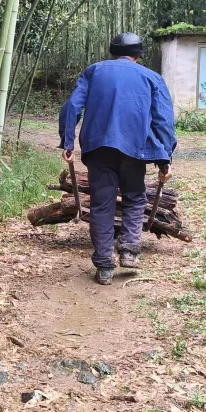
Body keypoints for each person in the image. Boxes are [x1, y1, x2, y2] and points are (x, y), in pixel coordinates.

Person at [58, 32, 177, 285]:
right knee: (135, 198)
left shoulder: (94, 71)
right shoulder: (151, 78)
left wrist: (67, 141)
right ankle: (129, 251)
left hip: (98, 148)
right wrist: (165, 158)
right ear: (139, 55)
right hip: (135, 150)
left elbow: (71, 107)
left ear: (112, 52)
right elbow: (163, 121)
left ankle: (104, 266)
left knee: (102, 205)